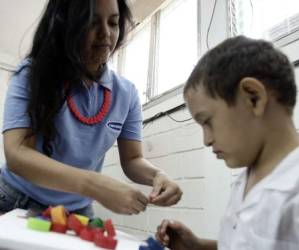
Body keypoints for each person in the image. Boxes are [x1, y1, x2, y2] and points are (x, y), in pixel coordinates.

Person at [0, 0, 182, 217]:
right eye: (92, 23)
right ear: (66, 25)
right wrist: (95, 185)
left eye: (113, 23)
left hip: (76, 211)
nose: (106, 33)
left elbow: (133, 159)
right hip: (16, 198)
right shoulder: (32, 74)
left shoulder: (127, 93)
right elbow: (17, 154)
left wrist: (157, 176)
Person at [156, 36, 299, 249]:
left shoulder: (294, 190)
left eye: (207, 122)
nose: (206, 140)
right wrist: (197, 246)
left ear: (253, 98)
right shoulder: (246, 178)